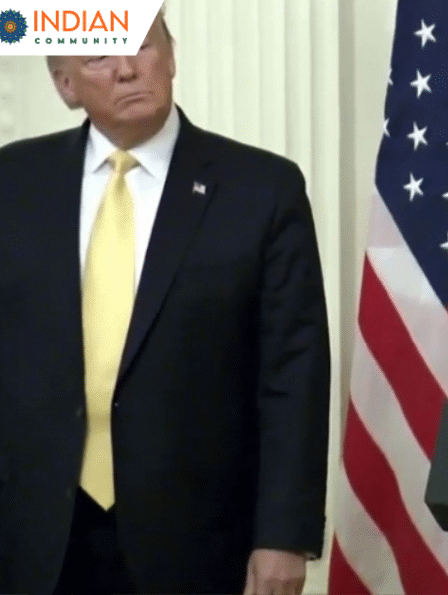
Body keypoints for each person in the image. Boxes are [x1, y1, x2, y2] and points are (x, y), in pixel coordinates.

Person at [0, 12, 330, 595]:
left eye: (142, 47)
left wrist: (283, 534)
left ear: (171, 58)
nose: (128, 69)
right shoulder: (14, 181)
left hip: (198, 539)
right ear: (65, 85)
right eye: (100, 56)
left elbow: (293, 376)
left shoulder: (262, 189)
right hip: (34, 534)